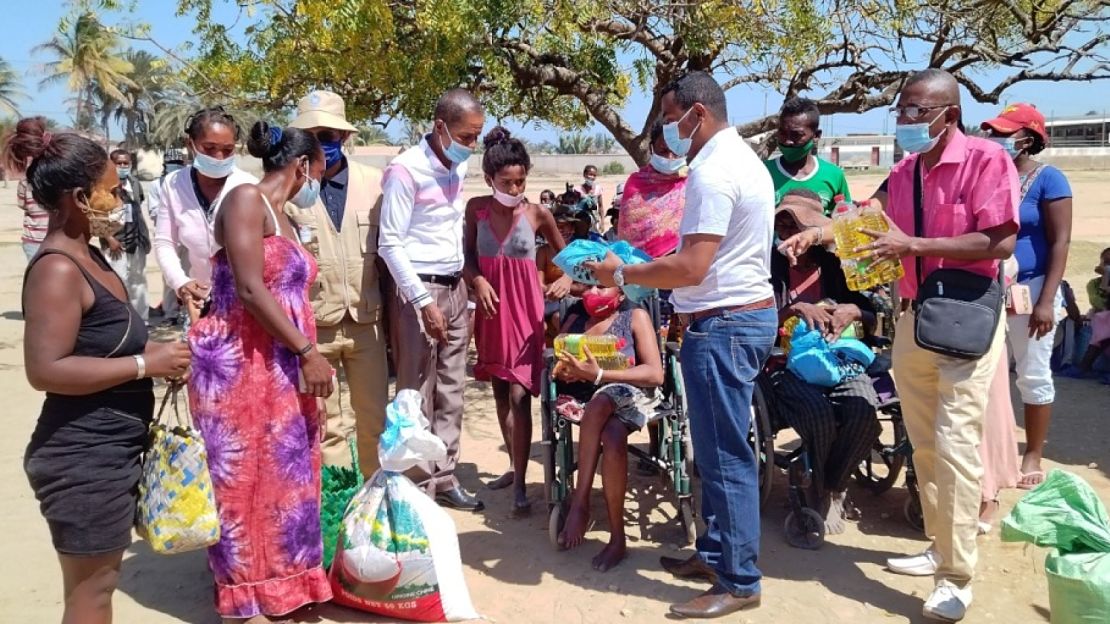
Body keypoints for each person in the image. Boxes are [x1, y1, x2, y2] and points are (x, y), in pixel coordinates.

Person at [781, 69, 1019, 622]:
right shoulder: (907, 170)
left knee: (956, 446)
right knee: (926, 445)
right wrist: (815, 233)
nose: (905, 120)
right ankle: (940, 545)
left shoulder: (986, 160)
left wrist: (914, 245)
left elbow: (1000, 240)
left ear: (948, 115)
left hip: (964, 321)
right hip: (914, 321)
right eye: (902, 110)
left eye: (917, 111)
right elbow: (866, 218)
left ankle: (955, 578)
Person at [589, 71, 777, 619]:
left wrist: (621, 273)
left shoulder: (714, 171)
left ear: (698, 114)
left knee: (724, 457)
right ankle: (716, 555)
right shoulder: (740, 160)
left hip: (725, 324)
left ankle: (739, 581)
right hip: (732, 319)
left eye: (671, 120)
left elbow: (692, 266)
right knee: (715, 451)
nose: (667, 131)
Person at [7, 119, 190, 624]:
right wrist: (144, 364)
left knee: (100, 586)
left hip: (113, 446)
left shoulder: (90, 256)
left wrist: (163, 354)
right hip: (82, 456)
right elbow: (45, 369)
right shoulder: (57, 268)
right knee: (93, 592)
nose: (121, 198)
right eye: (112, 190)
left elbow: (107, 342)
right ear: (78, 197)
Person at [188, 121, 334, 622]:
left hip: (281, 367)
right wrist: (308, 352)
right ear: (301, 167)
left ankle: (284, 588)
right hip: (241, 366)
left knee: (285, 483)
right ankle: (244, 597)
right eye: (319, 171)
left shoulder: (286, 217)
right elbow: (250, 288)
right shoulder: (245, 199)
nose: (318, 181)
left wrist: (304, 358)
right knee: (243, 484)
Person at [379, 89, 486, 511]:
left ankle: (444, 477)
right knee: (417, 390)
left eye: (477, 136)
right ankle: (417, 484)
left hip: (454, 286)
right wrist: (424, 302)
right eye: (466, 136)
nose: (472, 145)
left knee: (452, 389)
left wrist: (466, 291)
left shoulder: (458, 166)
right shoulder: (405, 170)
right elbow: (390, 243)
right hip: (419, 291)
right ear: (441, 127)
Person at [286, 90, 390, 477]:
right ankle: (336, 504)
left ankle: (374, 498)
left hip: (367, 323)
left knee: (374, 421)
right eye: (311, 136)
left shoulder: (374, 184)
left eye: (328, 136)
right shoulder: (289, 189)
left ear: (344, 137)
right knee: (325, 426)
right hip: (315, 328)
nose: (320, 145)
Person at [464, 126, 566, 514]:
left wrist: (566, 278)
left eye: (521, 181)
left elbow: (569, 258)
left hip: (526, 318)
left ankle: (521, 483)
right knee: (500, 393)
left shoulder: (538, 214)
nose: (515, 188)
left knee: (521, 396)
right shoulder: (476, 210)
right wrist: (477, 280)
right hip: (491, 314)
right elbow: (465, 258)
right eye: (506, 182)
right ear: (489, 179)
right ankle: (513, 464)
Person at [767, 189, 880, 534]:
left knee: (863, 410)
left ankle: (833, 486)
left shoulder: (834, 266)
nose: (787, 233)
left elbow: (872, 316)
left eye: (794, 225)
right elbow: (757, 320)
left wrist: (854, 310)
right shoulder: (768, 266)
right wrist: (793, 309)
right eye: (782, 224)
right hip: (785, 364)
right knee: (818, 414)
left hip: (837, 358)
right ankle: (818, 490)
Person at [981, 104, 1074, 489]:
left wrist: (1046, 301)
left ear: (1029, 138)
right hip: (988, 287)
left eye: (1006, 132)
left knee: (1032, 373)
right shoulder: (987, 175)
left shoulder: (1049, 179)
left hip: (1032, 289)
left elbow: (1060, 241)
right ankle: (992, 452)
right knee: (985, 373)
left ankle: (1032, 453)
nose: (996, 139)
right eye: (994, 132)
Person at [553, 287, 664, 571]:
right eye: (589, 284)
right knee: (612, 436)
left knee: (602, 401)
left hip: (629, 393)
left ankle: (580, 503)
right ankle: (617, 538)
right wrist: (567, 370)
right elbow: (558, 362)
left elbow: (655, 373)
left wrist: (601, 375)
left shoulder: (634, 316)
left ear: (620, 290)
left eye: (602, 285)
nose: (594, 291)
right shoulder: (575, 317)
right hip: (582, 397)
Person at [154, 107, 258, 321]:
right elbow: (165, 242)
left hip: (248, 304)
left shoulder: (248, 186)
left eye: (228, 150)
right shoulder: (174, 185)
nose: (219, 157)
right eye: (209, 148)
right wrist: (181, 282)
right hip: (200, 302)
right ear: (190, 144)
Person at [764, 97, 852, 215]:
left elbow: (845, 219)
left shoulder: (834, 175)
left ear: (816, 136)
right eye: (783, 133)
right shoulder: (763, 172)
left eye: (796, 135)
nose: (788, 141)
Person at [617, 122, 688, 259]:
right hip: (638, 266)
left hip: (681, 265)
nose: (670, 157)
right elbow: (628, 235)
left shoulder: (692, 182)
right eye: (663, 150)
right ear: (651, 148)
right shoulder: (636, 183)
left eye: (676, 151)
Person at [100, 149, 152, 322]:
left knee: (138, 280)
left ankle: (141, 319)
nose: (122, 166)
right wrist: (110, 239)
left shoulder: (134, 183)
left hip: (136, 240)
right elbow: (97, 217)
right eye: (119, 163)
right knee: (118, 280)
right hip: (116, 242)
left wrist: (144, 238)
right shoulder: (102, 186)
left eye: (126, 163)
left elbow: (138, 210)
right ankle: (120, 319)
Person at [147, 148, 190, 322]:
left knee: (189, 274)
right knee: (169, 276)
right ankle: (170, 312)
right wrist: (171, 211)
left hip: (187, 237)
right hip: (168, 238)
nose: (175, 167)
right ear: (165, 165)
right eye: (172, 164)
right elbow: (153, 212)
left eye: (178, 163)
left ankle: (188, 311)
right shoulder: (156, 185)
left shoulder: (188, 184)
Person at [1066, 247, 1110, 380]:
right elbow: (1099, 303)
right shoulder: (1094, 284)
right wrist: (1106, 280)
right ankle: (1084, 367)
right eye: (1106, 262)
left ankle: (1084, 367)